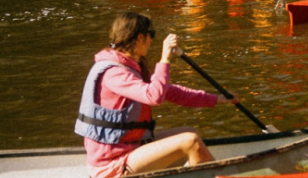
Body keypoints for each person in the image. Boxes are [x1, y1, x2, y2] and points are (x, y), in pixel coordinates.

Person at [78, 12, 233, 178]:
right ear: (140, 38)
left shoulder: (130, 67)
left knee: (191, 132)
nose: (151, 41)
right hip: (111, 165)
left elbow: (170, 92)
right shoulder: (114, 73)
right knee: (191, 141)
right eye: (151, 34)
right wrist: (165, 58)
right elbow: (154, 96)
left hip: (132, 148)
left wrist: (216, 99)